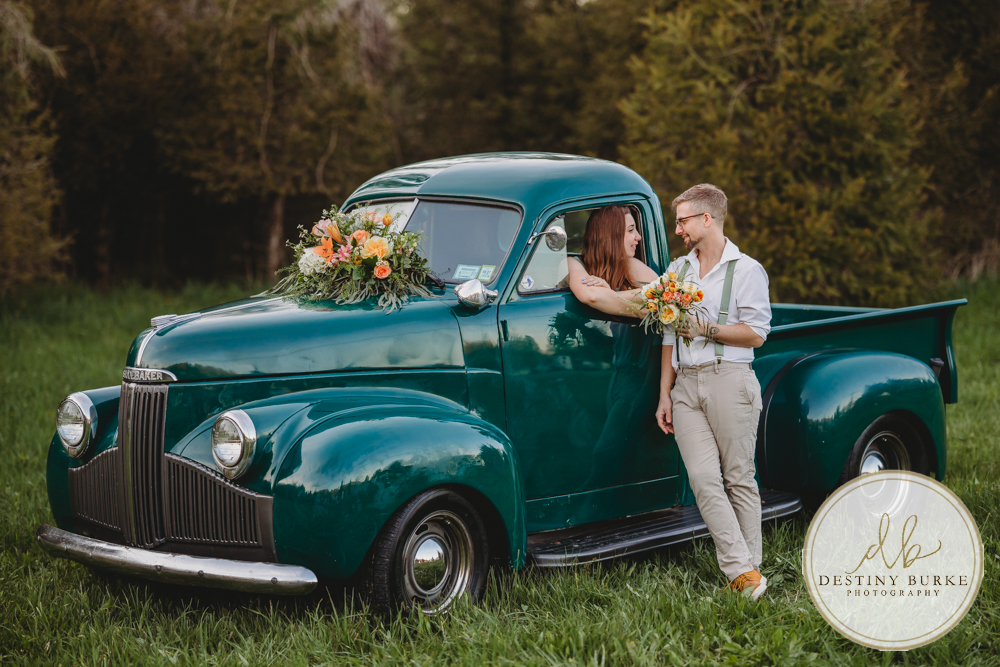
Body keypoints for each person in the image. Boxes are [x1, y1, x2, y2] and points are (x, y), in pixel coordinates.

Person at [654, 184, 772, 600]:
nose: (678, 228)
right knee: (704, 479)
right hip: (686, 385)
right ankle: (744, 572)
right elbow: (667, 336)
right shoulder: (677, 272)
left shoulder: (747, 270)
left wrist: (708, 328)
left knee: (739, 478)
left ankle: (747, 574)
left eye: (683, 220)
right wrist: (665, 393)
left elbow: (757, 334)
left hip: (730, 379)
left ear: (707, 219)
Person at [566, 206, 661, 492]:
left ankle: (584, 510)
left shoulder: (631, 267)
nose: (638, 237)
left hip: (641, 377)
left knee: (606, 451)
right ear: (610, 234)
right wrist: (606, 294)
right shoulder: (576, 262)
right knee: (621, 451)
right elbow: (589, 293)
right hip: (617, 376)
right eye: (630, 230)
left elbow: (669, 296)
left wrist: (611, 295)